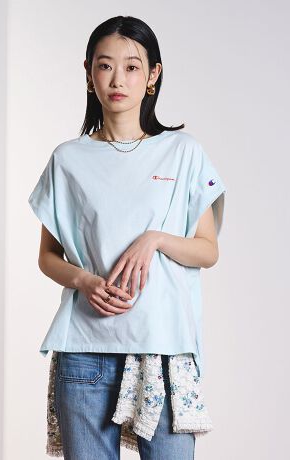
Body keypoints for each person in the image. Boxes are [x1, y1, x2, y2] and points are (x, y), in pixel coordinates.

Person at [28, 15, 227, 460]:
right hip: (86, 351)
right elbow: (47, 256)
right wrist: (83, 281)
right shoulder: (68, 159)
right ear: (89, 73)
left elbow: (207, 250)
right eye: (105, 65)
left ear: (153, 74)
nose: (118, 79)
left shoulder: (183, 152)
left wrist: (154, 239)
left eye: (132, 66)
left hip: (163, 349)